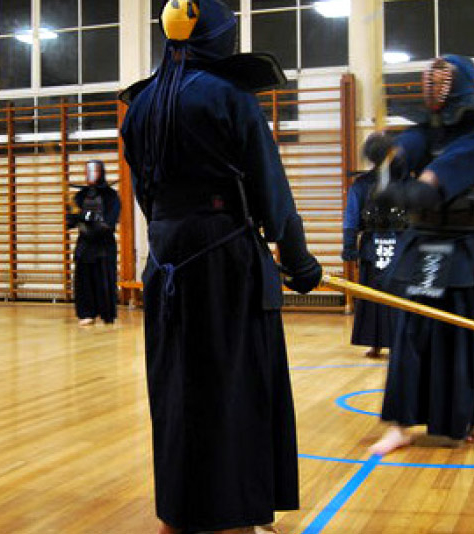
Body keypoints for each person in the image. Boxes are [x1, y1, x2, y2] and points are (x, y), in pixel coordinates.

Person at [120, 1, 322, 532]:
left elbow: (147, 193)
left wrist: (174, 232)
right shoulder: (230, 98)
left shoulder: (141, 105)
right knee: (237, 383)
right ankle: (236, 517)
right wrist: (299, 262)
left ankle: (181, 511)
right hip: (224, 260)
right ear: (219, 37)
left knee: (177, 387)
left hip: (165, 259)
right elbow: (271, 192)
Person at [369, 55, 474, 455]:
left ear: (461, 85)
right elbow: (399, 156)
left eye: (443, 80)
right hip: (425, 243)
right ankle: (401, 424)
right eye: (429, 79)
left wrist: (396, 191)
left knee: (470, 333)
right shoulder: (423, 133)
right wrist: (383, 153)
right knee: (411, 332)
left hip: (467, 248)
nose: (434, 86)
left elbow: (426, 189)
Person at [342, 133, 407, 358]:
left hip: (381, 245)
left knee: (374, 293)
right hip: (395, 246)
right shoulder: (402, 181)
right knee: (390, 293)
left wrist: (349, 245)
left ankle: (377, 342)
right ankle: (393, 342)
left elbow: (351, 219)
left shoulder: (362, 184)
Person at [67, 160, 120, 326]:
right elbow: (70, 222)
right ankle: (86, 312)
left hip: (103, 244)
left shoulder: (111, 196)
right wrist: (75, 215)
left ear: (101, 172)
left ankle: (106, 313)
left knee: (103, 279)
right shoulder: (79, 196)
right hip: (85, 244)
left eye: (95, 170)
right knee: (84, 279)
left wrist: (89, 218)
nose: (91, 174)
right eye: (88, 170)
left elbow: (110, 222)